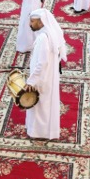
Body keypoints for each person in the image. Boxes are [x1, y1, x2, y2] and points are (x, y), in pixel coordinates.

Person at [25, 9, 65, 140]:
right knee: (45, 103)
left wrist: (32, 81)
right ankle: (44, 131)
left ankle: (39, 132)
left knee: (40, 104)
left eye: (32, 21)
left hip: (43, 77)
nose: (30, 24)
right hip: (48, 75)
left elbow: (41, 63)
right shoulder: (49, 34)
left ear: (41, 22)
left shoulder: (43, 38)